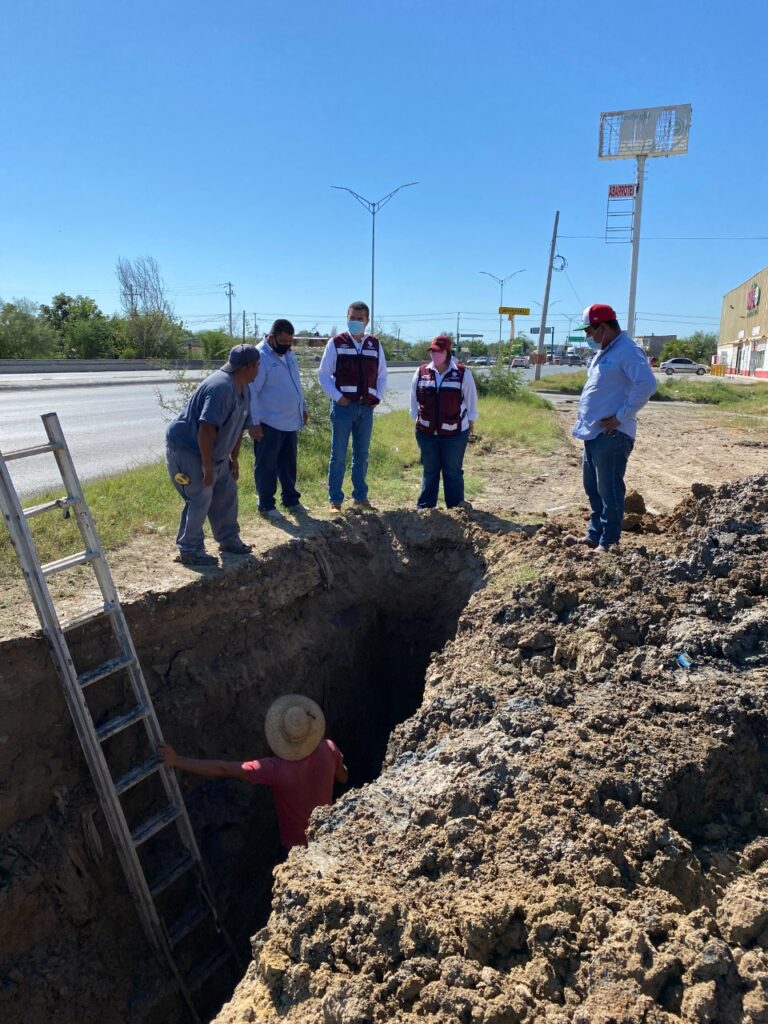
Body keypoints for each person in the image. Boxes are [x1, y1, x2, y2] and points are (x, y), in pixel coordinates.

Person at [158, 694, 348, 856]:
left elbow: (224, 769)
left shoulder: (275, 769)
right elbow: (343, 777)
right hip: (326, 836)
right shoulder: (328, 748)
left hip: (295, 848)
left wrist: (177, 760)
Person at [570, 304, 656, 554]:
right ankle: (594, 535)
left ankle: (609, 542)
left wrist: (621, 416)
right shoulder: (607, 350)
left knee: (609, 490)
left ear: (603, 328)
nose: (587, 337)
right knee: (593, 488)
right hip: (594, 434)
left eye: (589, 331)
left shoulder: (627, 351)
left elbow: (647, 384)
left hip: (612, 435)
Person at [166, 344, 259, 566]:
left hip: (215, 452)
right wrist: (206, 466)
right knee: (200, 496)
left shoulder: (244, 387)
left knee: (226, 491)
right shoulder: (221, 388)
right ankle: (190, 549)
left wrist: (233, 459)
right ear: (248, 366)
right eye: (257, 366)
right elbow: (206, 428)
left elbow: (238, 427)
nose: (258, 370)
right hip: (188, 449)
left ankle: (228, 539)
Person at [318, 301, 388, 511]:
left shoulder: (374, 344)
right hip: (343, 408)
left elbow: (382, 375)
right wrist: (337, 397)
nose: (355, 322)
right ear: (347, 318)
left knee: (362, 455)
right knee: (338, 454)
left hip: (365, 408)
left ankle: (360, 497)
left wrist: (377, 398)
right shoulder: (336, 343)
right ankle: (335, 500)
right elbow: (323, 374)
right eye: (352, 318)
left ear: (367, 321)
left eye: (360, 319)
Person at [248, 319, 308, 520]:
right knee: (266, 465)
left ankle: (291, 499)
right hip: (268, 423)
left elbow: (297, 384)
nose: (287, 346)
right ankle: (266, 504)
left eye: (290, 342)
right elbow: (251, 392)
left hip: (290, 421)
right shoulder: (260, 357)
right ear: (272, 337)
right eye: (283, 341)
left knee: (288, 463)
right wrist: (253, 423)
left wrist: (303, 408)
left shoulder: (289, 355)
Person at [410, 335, 478, 510]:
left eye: (439, 351)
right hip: (426, 433)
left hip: (455, 434)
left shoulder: (462, 373)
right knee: (430, 471)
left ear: (447, 352)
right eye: (432, 351)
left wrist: (470, 424)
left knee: (452, 471)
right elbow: (414, 402)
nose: (435, 354)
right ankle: (425, 510)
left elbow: (471, 404)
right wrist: (419, 422)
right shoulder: (422, 372)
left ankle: (456, 510)